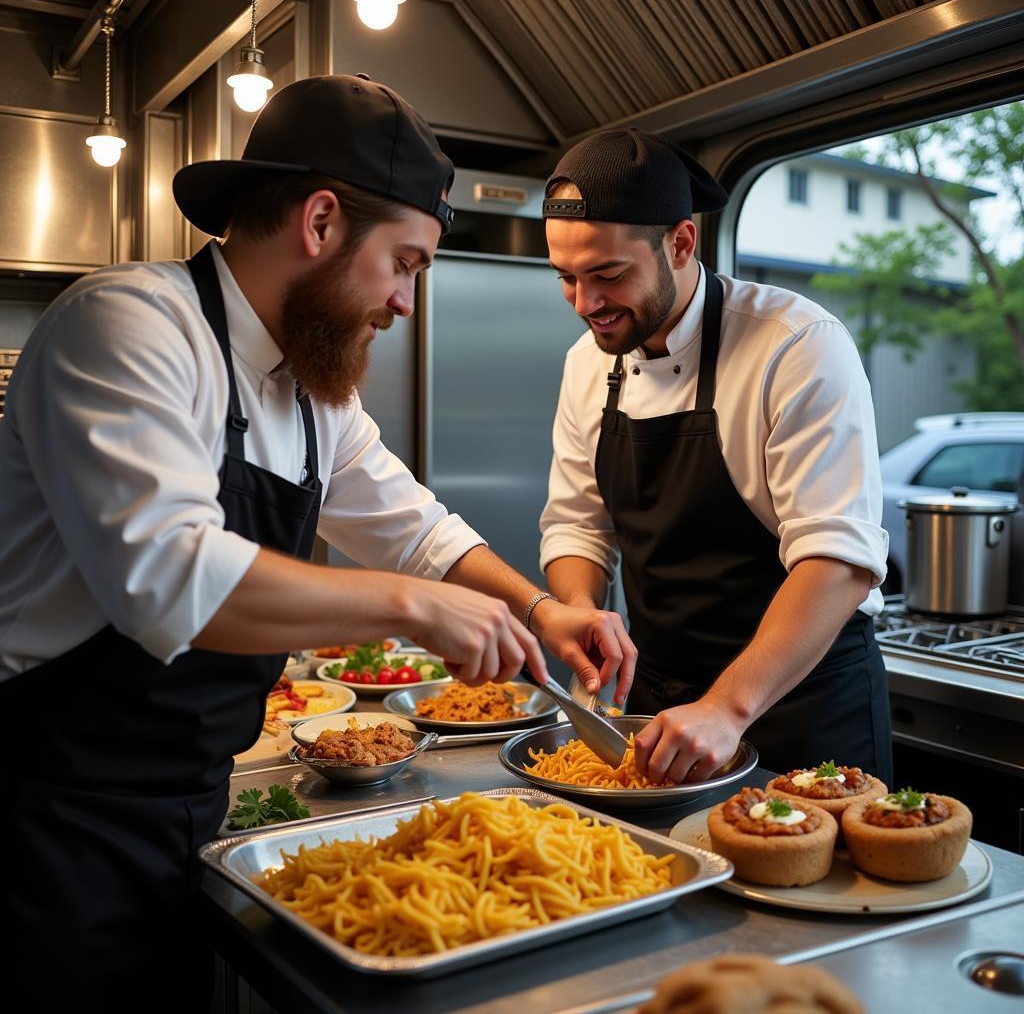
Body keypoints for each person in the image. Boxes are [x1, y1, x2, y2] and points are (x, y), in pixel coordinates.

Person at [0, 75, 633, 1010]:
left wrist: (544, 610)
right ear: (322, 221)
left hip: (191, 796)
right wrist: (416, 608)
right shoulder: (128, 327)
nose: (409, 302)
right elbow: (166, 575)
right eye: (407, 264)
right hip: (49, 814)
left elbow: (412, 528)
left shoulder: (310, 390)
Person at [538, 128, 893, 789]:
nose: (586, 306)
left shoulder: (795, 345)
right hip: (657, 705)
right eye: (567, 279)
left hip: (799, 706)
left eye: (608, 275)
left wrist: (727, 706)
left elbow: (838, 560)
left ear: (679, 243)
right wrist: (583, 605)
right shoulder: (587, 364)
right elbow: (576, 524)